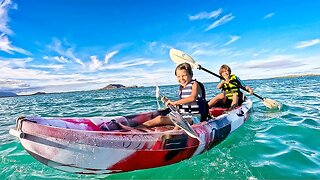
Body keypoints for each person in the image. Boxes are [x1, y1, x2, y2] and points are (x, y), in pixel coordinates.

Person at [141, 62, 208, 128]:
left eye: (184, 75)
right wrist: (168, 102)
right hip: (183, 116)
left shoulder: (195, 84)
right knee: (160, 118)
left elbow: (193, 98)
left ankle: (170, 136)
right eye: (178, 76)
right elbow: (183, 106)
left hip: (194, 118)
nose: (181, 78)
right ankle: (136, 129)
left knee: (179, 124)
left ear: (191, 75)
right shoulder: (181, 89)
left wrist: (175, 102)